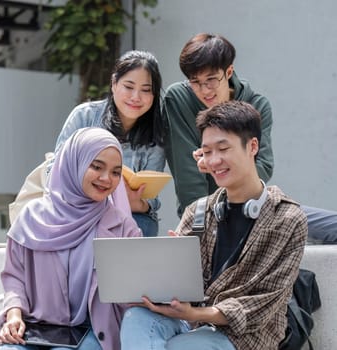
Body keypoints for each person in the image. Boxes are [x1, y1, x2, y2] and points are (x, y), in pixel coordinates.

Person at [120, 100, 308, 350]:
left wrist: (196, 315)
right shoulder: (198, 211)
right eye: (207, 152)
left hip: (247, 337)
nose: (214, 160)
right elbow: (183, 289)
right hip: (192, 322)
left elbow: (262, 305)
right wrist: (169, 270)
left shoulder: (287, 219)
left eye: (223, 148)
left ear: (252, 146)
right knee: (136, 320)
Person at [163, 32, 337, 243]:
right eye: (195, 82)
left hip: (257, 204)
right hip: (209, 213)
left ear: (229, 72)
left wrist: (214, 164)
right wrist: (202, 226)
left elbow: (263, 167)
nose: (204, 90)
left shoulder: (257, 105)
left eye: (211, 80)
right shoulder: (179, 99)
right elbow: (186, 175)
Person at [0, 127, 142, 350]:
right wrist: (14, 314)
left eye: (115, 172)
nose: (106, 179)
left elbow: (136, 289)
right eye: (96, 166)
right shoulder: (31, 217)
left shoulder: (123, 228)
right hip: (36, 327)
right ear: (74, 163)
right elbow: (14, 277)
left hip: (93, 330)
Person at [54, 50, 165, 237]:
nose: (136, 97)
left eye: (146, 90)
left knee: (142, 227)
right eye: (128, 87)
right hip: (78, 206)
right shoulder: (84, 116)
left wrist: (137, 203)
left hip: (130, 213)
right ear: (114, 84)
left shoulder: (157, 134)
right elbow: (56, 170)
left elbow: (151, 200)